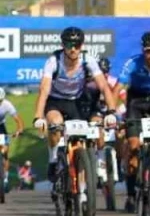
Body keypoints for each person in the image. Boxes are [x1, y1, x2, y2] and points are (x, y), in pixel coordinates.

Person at [34, 27, 117, 183]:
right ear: (62, 45)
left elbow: (104, 87)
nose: (73, 49)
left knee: (87, 132)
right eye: (69, 45)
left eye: (77, 45)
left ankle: (88, 164)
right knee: (55, 124)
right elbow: (44, 89)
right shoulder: (53, 61)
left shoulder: (88, 60)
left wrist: (111, 112)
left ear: (82, 45)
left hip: (76, 101)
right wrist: (38, 116)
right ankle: (53, 159)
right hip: (55, 101)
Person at [116, 31, 150, 213]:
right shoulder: (133, 63)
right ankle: (131, 194)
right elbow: (118, 88)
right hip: (136, 102)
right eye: (148, 51)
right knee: (133, 147)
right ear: (142, 50)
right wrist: (112, 111)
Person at [0, 88, 25, 192]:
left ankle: (5, 178)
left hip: (1, 127)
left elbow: (18, 119)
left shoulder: (7, 104)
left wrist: (20, 129)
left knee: (5, 152)